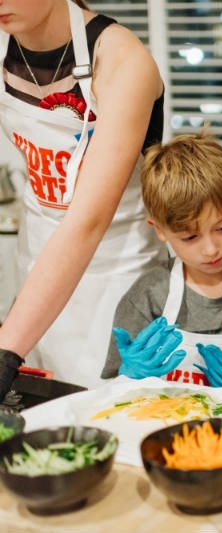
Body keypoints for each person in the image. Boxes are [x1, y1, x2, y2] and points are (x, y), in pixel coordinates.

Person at [0, 0, 168, 395]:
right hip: (37, 272)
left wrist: (6, 350)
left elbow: (88, 220)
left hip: (118, 279)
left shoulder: (121, 60)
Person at [100, 130, 222, 397]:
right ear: (159, 229)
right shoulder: (148, 297)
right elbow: (112, 395)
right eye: (190, 237)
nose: (211, 249)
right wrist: (129, 377)